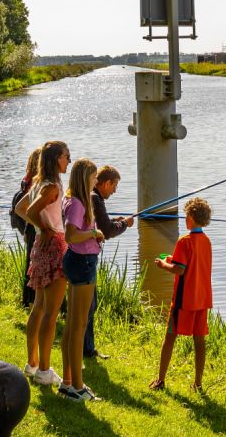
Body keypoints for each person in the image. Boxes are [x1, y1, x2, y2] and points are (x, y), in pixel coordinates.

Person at [17, 140, 70, 387]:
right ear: (55, 159)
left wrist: (40, 227)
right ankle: (45, 370)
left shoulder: (39, 182)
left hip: (39, 245)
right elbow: (29, 210)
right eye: (65, 157)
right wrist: (47, 227)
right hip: (54, 245)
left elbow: (20, 207)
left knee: (38, 306)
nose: (68, 161)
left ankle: (32, 363)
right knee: (51, 311)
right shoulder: (51, 187)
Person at [149, 197, 213, 392]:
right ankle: (198, 383)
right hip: (202, 299)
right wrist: (173, 259)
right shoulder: (206, 241)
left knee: (170, 337)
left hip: (184, 301)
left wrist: (163, 264)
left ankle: (160, 380)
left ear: (191, 218)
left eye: (186, 215)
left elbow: (180, 270)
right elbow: (189, 264)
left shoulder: (184, 241)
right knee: (199, 340)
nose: (185, 219)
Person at [58, 158, 105, 402]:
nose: (96, 181)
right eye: (94, 177)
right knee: (78, 327)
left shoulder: (72, 198)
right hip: (83, 263)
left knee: (72, 326)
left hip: (78, 261)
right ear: (85, 177)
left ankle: (67, 383)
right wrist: (94, 233)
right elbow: (71, 235)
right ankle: (77, 386)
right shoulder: (77, 203)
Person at [84, 165, 134, 359]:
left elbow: (100, 223)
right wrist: (124, 224)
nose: (115, 191)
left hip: (84, 256)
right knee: (89, 305)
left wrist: (116, 221)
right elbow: (107, 231)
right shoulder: (95, 198)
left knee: (89, 304)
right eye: (114, 186)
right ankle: (87, 350)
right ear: (106, 183)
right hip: (86, 258)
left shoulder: (91, 196)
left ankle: (87, 348)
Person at [17, 147, 42, 307]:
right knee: (35, 263)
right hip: (35, 224)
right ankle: (33, 299)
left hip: (28, 224)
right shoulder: (36, 181)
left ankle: (27, 299)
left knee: (30, 262)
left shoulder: (26, 178)